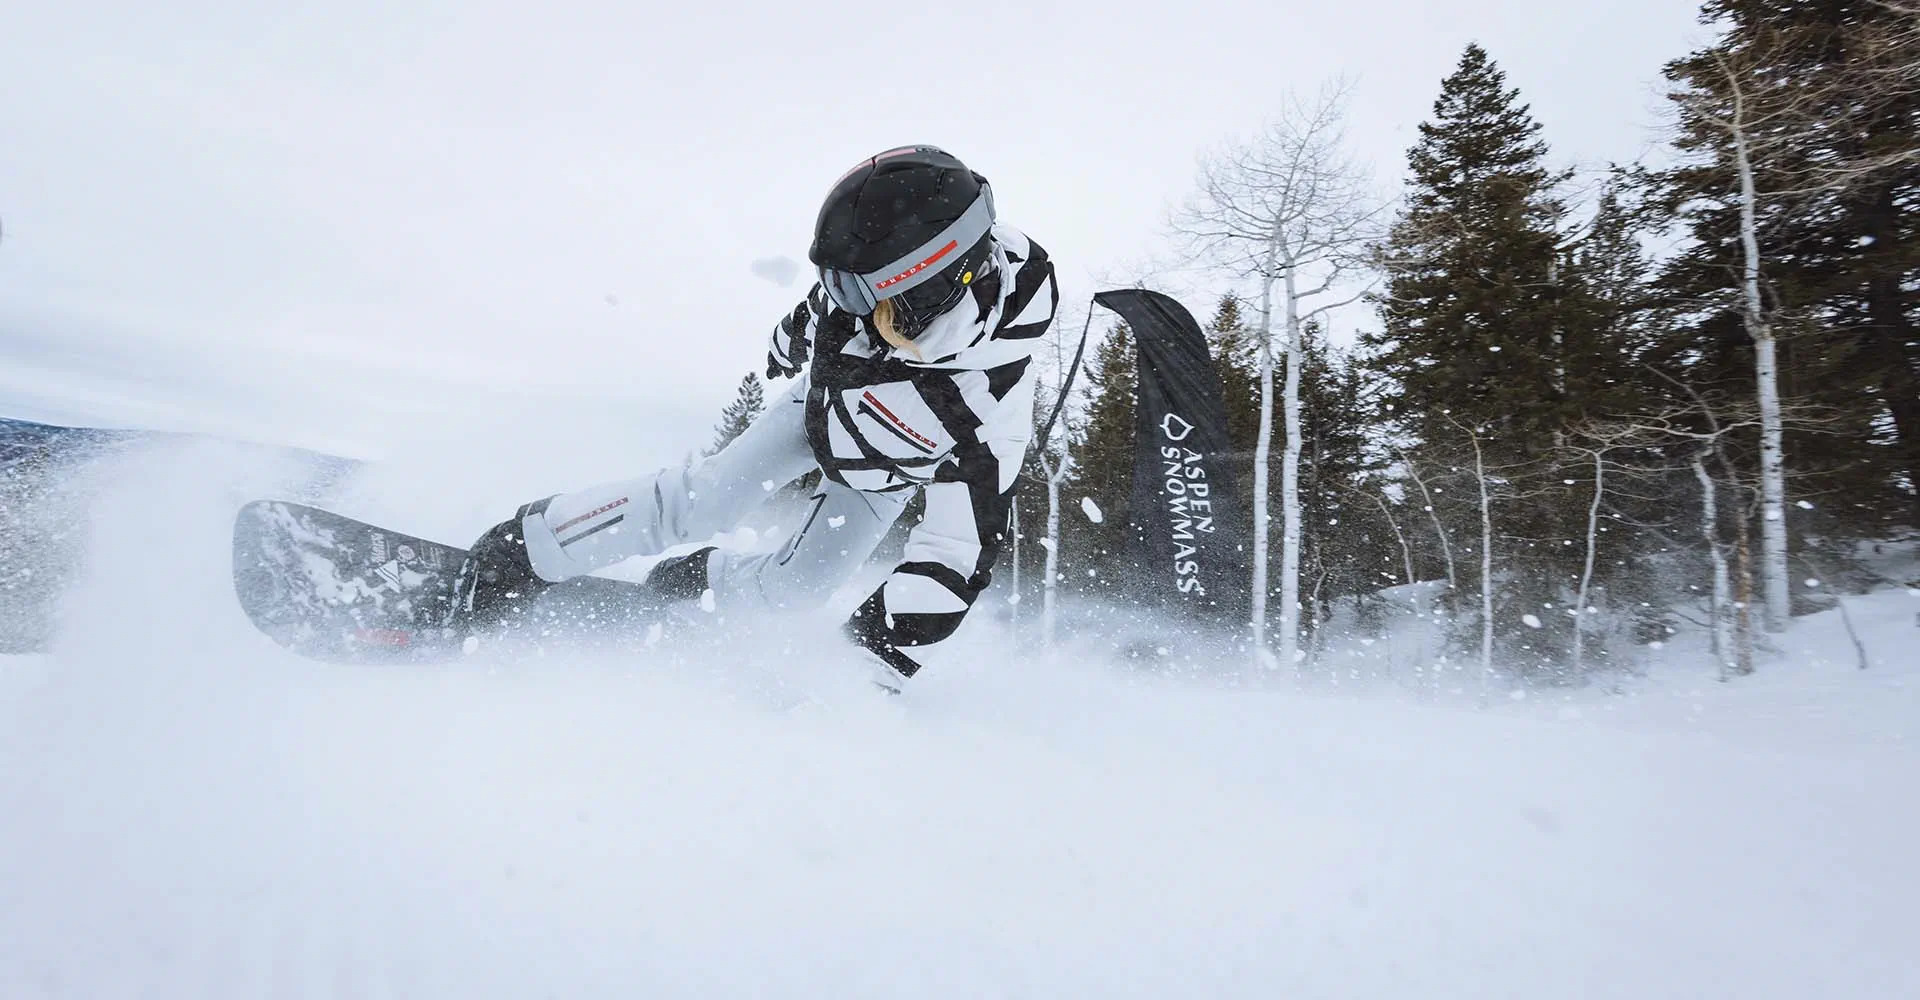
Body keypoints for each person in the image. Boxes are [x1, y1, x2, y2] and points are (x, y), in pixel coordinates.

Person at [450, 146, 1058, 691]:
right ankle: (519, 550)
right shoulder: (877, 301)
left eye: (857, 293)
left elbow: (954, 551)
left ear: (937, 288)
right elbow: (824, 309)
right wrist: (787, 340)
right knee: (705, 500)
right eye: (837, 284)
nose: (841, 303)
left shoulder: (984, 413)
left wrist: (871, 666)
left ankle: (692, 583)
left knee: (797, 589)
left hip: (888, 469)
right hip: (821, 409)